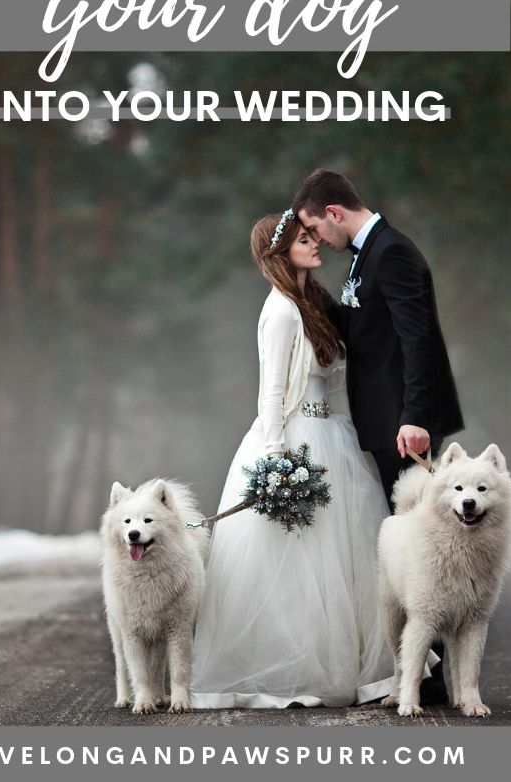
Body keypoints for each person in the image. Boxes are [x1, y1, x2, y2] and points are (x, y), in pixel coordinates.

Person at [190, 210, 394, 708]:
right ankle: (295, 670)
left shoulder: (312, 303)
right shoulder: (280, 310)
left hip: (332, 435)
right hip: (296, 438)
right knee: (298, 561)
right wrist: (276, 459)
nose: (316, 243)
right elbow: (273, 391)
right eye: (304, 239)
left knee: (343, 557)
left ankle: (359, 665)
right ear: (280, 252)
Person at [292, 168, 464, 704]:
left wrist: (415, 417)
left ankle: (430, 679)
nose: (317, 239)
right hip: (385, 420)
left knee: (425, 550)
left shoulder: (392, 252)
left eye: (316, 229)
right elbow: (367, 327)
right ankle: (420, 670)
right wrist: (307, 295)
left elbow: (419, 341)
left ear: (335, 214)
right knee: (410, 548)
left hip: (404, 425)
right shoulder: (367, 256)